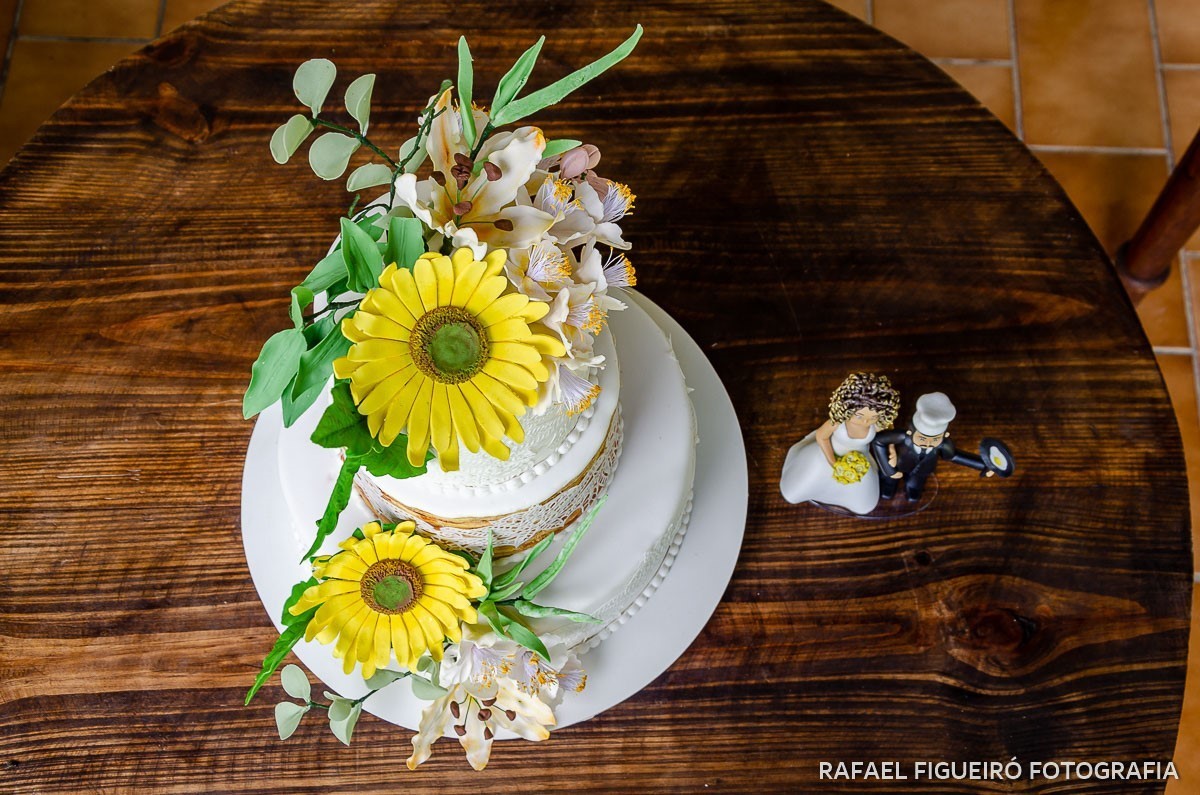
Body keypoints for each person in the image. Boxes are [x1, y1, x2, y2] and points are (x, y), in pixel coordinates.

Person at [780, 373, 901, 515]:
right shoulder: (838, 422)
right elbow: (821, 436)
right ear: (848, 408)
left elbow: (889, 432)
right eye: (860, 416)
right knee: (804, 483)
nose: (865, 422)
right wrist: (833, 462)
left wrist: (892, 450)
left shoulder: (875, 426)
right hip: (827, 455)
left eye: (873, 417)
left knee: (862, 500)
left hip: (859, 462)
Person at [871, 392, 993, 502]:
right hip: (898, 464)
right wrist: (888, 470)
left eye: (935, 439)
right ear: (910, 431)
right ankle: (889, 484)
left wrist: (984, 466)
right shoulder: (903, 436)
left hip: (921, 471)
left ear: (945, 435)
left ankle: (912, 488)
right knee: (889, 481)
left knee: (915, 485)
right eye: (923, 438)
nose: (928, 443)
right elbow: (879, 441)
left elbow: (954, 455)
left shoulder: (943, 444)